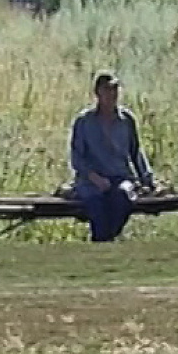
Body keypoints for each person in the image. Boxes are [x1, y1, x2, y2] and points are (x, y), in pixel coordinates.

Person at [68, 71, 155, 242]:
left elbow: (135, 151)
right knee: (95, 204)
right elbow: (77, 158)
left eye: (115, 89)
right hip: (91, 181)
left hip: (119, 177)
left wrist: (147, 179)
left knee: (123, 196)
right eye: (107, 90)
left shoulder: (126, 120)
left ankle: (105, 240)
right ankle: (103, 242)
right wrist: (95, 178)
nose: (112, 94)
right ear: (98, 93)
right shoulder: (84, 122)